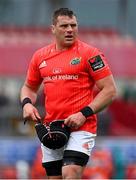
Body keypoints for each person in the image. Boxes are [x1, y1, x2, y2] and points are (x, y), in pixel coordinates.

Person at [20, 8, 117, 179]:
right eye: (64, 26)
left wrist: (83, 114)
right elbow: (29, 87)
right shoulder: (40, 56)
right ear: (53, 29)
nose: (70, 30)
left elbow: (110, 90)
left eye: (73, 25)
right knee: (55, 177)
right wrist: (27, 103)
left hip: (82, 126)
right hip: (53, 128)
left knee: (70, 172)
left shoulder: (91, 54)